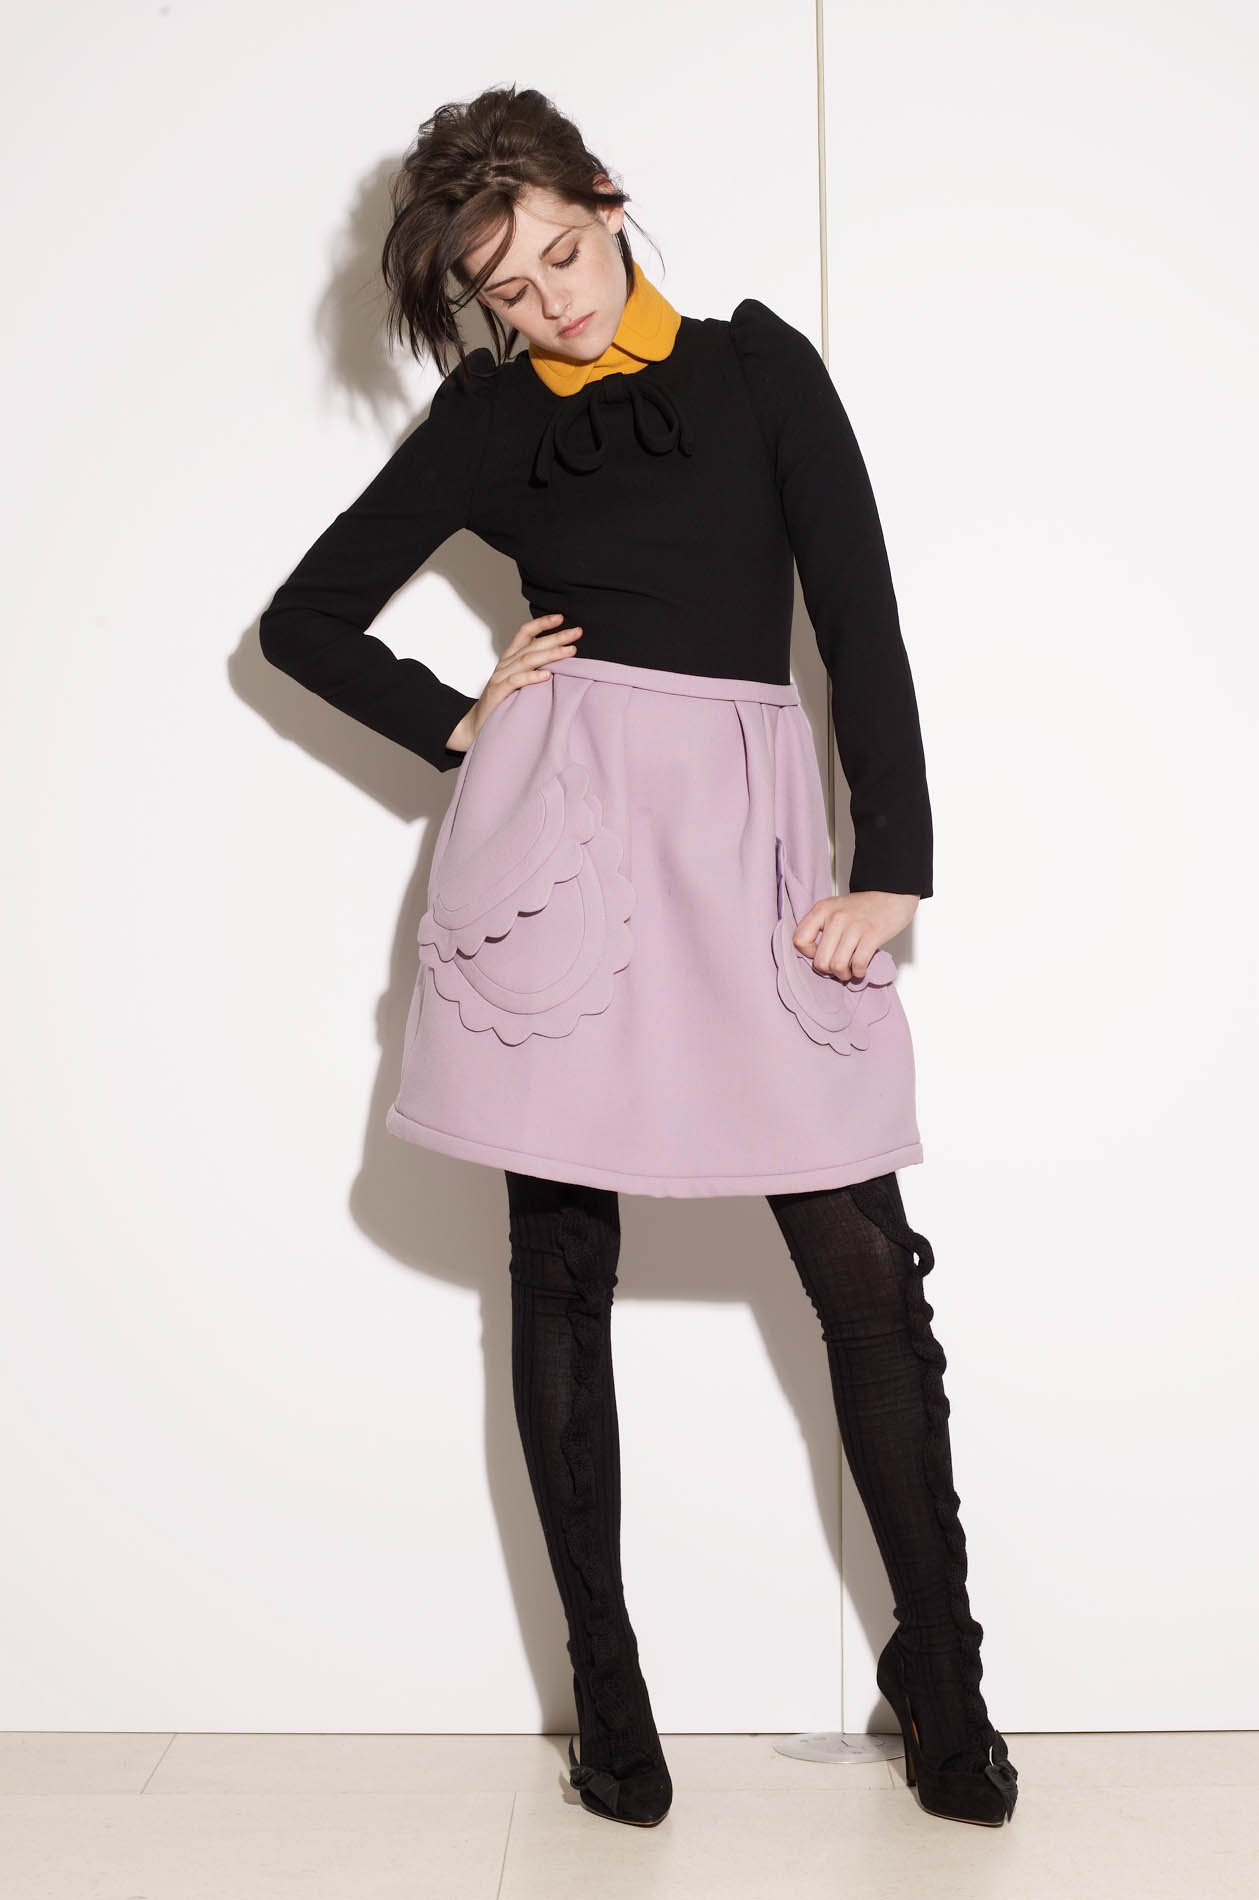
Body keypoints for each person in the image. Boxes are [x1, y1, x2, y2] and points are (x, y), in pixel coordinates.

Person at [258, 84, 1019, 1831]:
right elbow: (305, 620)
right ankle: (610, 1704)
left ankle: (945, 1679)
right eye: (506, 290)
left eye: (560, 256)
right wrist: (461, 720)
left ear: (607, 198)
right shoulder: (488, 421)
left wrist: (892, 870)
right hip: (563, 856)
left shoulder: (758, 372)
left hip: (749, 853)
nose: (549, 304)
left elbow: (861, 618)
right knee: (557, 1266)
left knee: (864, 1270)